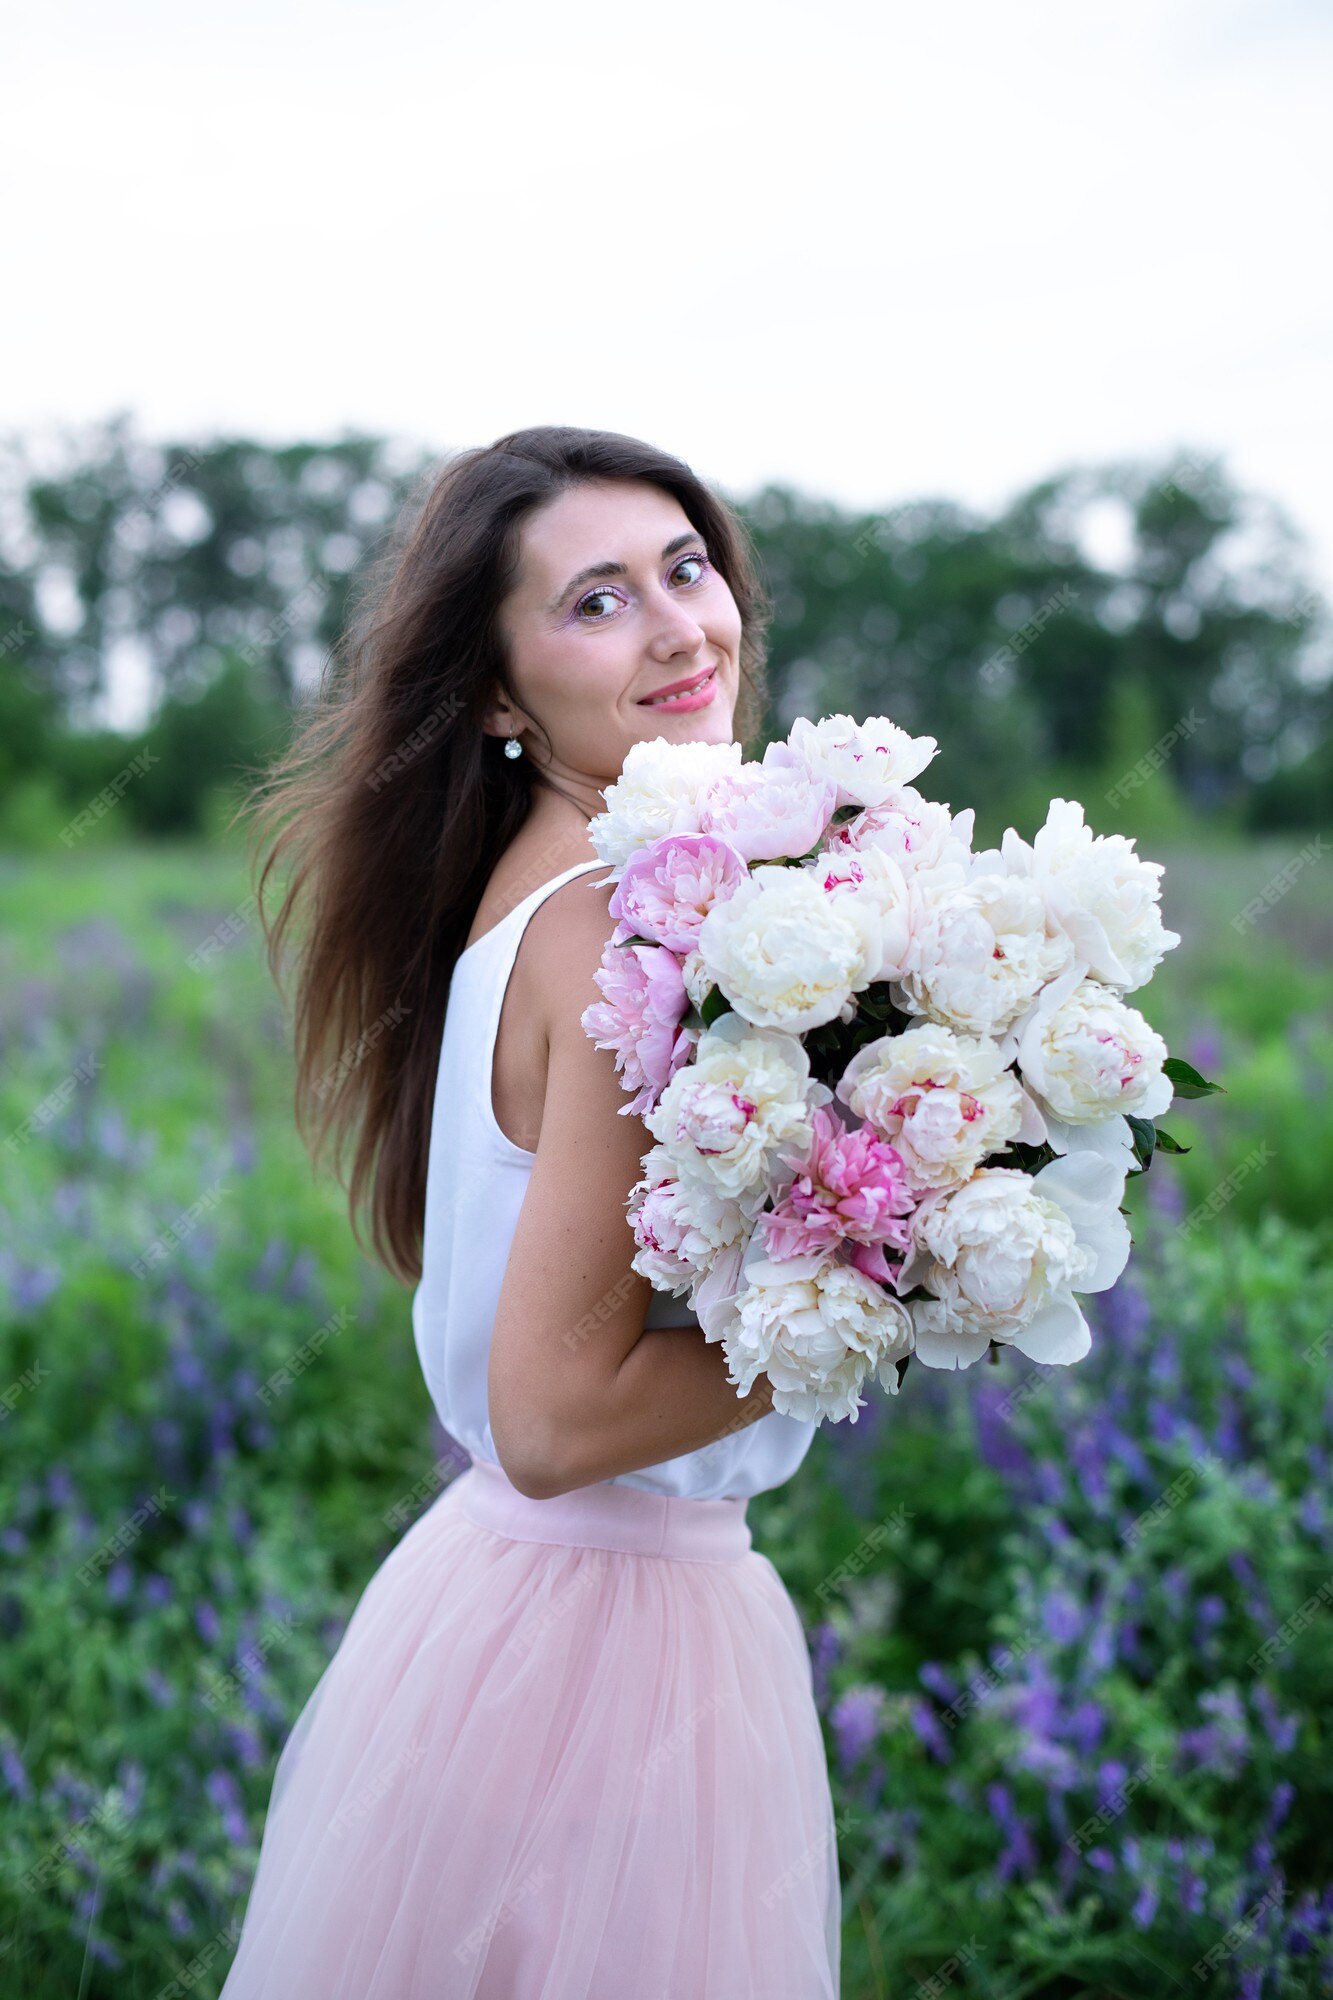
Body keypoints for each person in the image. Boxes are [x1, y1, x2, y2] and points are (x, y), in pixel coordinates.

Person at [220, 426, 842, 1997]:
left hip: (524, 1606)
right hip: (607, 1643)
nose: (679, 626)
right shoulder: (612, 928)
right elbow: (556, 1420)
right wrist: (884, 1314)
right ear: (499, 695)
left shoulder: (566, 880)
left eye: (686, 570)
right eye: (596, 601)